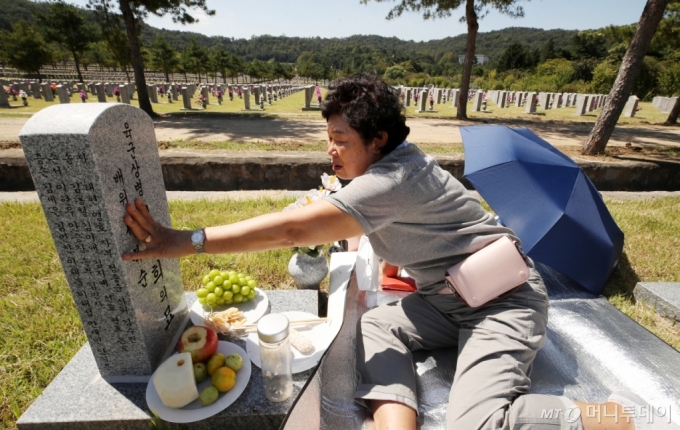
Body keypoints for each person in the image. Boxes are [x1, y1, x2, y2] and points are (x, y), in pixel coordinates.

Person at [123, 75, 673, 430]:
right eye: (329, 137)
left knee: (476, 425)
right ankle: (396, 418)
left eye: (341, 139)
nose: (331, 150)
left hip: (503, 303)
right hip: (447, 296)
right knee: (379, 326)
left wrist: (183, 240)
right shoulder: (390, 166)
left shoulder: (390, 181)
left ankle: (603, 415)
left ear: (379, 139)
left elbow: (291, 232)